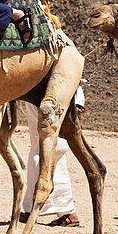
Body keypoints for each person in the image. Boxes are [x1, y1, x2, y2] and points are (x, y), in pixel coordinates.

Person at [19, 87, 84, 226]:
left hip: (49, 95)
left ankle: (33, 209)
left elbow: (68, 70)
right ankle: (66, 212)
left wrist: (78, 101)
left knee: (42, 151)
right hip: (37, 91)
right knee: (45, 153)